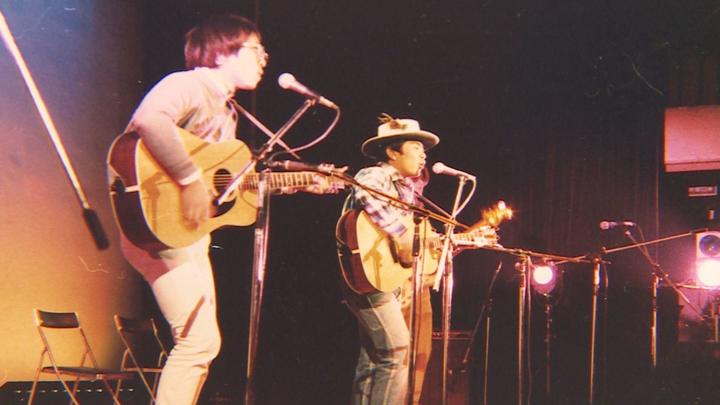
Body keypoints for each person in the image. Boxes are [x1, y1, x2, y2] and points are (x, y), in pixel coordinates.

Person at [114, 14, 268, 405]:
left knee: (203, 343)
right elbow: (150, 120)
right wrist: (187, 180)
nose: (264, 59)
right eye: (256, 49)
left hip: (184, 233)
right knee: (197, 343)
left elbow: (218, 184)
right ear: (222, 52)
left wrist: (288, 184)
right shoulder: (189, 84)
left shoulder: (228, 110)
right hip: (156, 224)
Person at [341, 114, 439, 404]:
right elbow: (366, 196)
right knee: (396, 352)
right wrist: (402, 233)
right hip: (367, 275)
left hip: (382, 277)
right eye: (416, 148)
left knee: (374, 358)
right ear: (392, 152)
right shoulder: (376, 174)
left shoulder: (406, 189)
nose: (423, 155)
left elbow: (406, 245)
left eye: (423, 150)